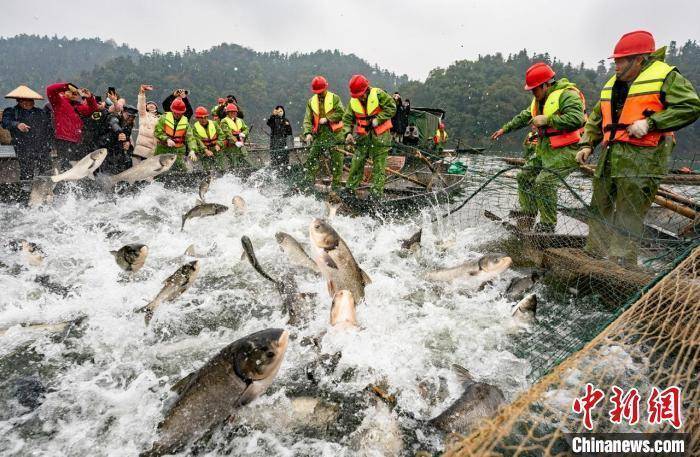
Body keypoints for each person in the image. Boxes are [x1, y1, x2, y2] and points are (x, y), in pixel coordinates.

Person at [577, 30, 700, 265]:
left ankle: (621, 260)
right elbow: (595, 118)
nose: (615, 65)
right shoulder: (612, 83)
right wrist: (586, 144)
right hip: (611, 154)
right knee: (600, 203)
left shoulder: (666, 76)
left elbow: (691, 106)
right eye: (615, 60)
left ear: (639, 59)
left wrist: (651, 123)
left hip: (645, 156)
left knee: (629, 209)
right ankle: (594, 252)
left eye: (620, 60)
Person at [491, 62, 586, 232]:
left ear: (546, 84)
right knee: (524, 176)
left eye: (535, 89)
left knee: (544, 182)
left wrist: (548, 120)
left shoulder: (568, 95)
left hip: (567, 150)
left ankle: (547, 225)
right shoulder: (539, 100)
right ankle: (528, 214)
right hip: (545, 150)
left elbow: (577, 119)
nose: (533, 93)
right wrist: (504, 129)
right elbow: (523, 117)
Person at [342, 74, 396, 197]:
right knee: (356, 162)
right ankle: (350, 189)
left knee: (379, 166)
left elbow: (392, 108)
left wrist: (379, 119)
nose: (359, 98)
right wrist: (348, 133)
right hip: (363, 137)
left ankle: (376, 194)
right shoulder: (353, 101)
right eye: (357, 96)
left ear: (366, 89)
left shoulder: (379, 94)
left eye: (360, 95)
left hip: (381, 137)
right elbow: (347, 119)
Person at [2, 85, 53, 180]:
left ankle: (43, 191)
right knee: (27, 172)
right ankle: (25, 192)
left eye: (30, 101)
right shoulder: (12, 111)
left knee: (46, 171)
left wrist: (49, 144)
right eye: (24, 101)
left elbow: (48, 128)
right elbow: (5, 123)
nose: (28, 103)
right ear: (18, 101)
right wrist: (17, 125)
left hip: (41, 146)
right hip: (22, 146)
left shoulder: (40, 112)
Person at [302, 76, 345, 188]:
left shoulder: (335, 98)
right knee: (311, 159)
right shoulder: (311, 101)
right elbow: (307, 119)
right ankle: (308, 186)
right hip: (319, 136)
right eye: (317, 92)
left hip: (335, 135)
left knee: (337, 163)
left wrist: (328, 118)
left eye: (321, 91)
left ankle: (336, 189)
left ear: (326, 87)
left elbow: (342, 113)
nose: (319, 94)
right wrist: (308, 133)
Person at [46, 82, 99, 170]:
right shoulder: (58, 101)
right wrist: (66, 86)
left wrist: (89, 98)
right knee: (66, 166)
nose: (74, 94)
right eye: (71, 92)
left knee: (81, 166)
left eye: (76, 93)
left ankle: (78, 183)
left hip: (78, 140)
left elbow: (93, 110)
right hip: (64, 139)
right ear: (63, 92)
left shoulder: (78, 106)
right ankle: (64, 183)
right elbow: (50, 89)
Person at [153, 97, 193, 172]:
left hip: (178, 151)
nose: (177, 114)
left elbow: (190, 138)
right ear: (172, 110)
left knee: (181, 170)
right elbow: (157, 132)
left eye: (179, 113)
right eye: (175, 112)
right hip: (162, 149)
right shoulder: (163, 118)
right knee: (160, 170)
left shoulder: (186, 123)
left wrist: (192, 150)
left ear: (183, 112)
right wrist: (167, 139)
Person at [101, 105, 137, 174]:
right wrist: (119, 133)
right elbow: (114, 123)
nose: (130, 118)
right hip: (105, 147)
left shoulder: (130, 125)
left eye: (133, 117)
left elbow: (127, 137)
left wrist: (128, 143)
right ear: (123, 112)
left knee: (126, 162)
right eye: (129, 115)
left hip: (117, 152)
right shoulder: (114, 117)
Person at [187, 106, 225, 171]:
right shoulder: (194, 128)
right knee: (207, 171)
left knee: (221, 169)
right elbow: (198, 141)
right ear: (197, 118)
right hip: (204, 153)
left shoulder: (214, 124)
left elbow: (221, 135)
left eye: (205, 117)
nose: (203, 119)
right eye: (201, 118)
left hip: (217, 150)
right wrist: (206, 150)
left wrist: (218, 144)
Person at [133, 84, 160, 164]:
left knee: (148, 175)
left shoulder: (160, 119)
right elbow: (141, 104)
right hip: (140, 151)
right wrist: (142, 93)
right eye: (149, 104)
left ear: (156, 108)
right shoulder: (143, 115)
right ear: (146, 106)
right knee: (135, 172)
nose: (151, 105)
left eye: (153, 105)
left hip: (152, 152)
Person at [219, 103, 250, 167]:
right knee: (233, 163)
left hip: (241, 146)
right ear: (227, 113)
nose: (233, 113)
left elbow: (246, 128)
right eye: (231, 112)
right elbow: (227, 133)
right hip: (230, 147)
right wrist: (235, 141)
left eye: (234, 112)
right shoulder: (224, 121)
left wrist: (244, 133)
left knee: (245, 160)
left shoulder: (240, 120)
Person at [267, 105, 293, 170]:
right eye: (278, 111)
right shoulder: (274, 119)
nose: (280, 112)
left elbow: (289, 132)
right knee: (275, 159)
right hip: (274, 143)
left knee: (285, 159)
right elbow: (269, 123)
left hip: (283, 143)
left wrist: (288, 126)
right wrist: (272, 115)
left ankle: (285, 171)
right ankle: (275, 172)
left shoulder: (286, 120)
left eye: (281, 111)